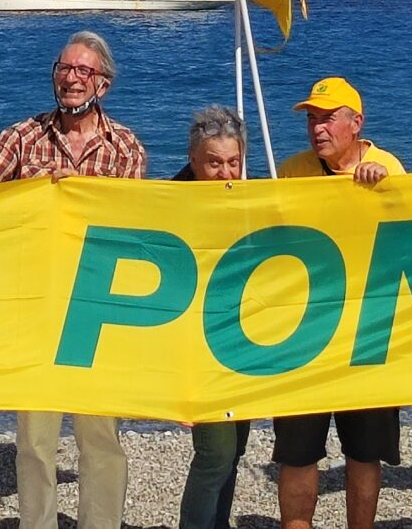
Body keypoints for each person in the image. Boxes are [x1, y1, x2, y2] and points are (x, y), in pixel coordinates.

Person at [0, 30, 146, 529]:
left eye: (83, 72)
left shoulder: (125, 148)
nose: (71, 79)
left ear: (104, 84)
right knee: (35, 440)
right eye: (64, 69)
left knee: (101, 436)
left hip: (95, 306)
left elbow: (139, 226)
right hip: (32, 303)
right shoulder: (22, 137)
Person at [273, 78, 403, 529]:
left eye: (327, 118)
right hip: (304, 334)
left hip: (367, 335)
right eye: (311, 119)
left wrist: (383, 192)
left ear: (356, 123)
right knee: (297, 452)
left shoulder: (388, 167)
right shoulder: (290, 170)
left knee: (365, 454)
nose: (317, 129)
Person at [175, 106, 252, 529]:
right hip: (196, 351)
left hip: (241, 343)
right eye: (214, 162)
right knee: (215, 455)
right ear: (193, 158)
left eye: (233, 162)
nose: (225, 171)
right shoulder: (170, 201)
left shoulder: (250, 198)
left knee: (236, 450)